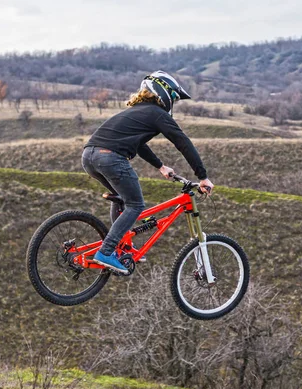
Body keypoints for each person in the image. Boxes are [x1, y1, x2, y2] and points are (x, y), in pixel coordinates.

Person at [81, 71, 213, 274]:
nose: (174, 103)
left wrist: (160, 166)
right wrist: (202, 177)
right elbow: (183, 143)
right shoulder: (157, 113)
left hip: (89, 156)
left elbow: (139, 145)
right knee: (135, 204)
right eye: (174, 98)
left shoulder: (138, 111)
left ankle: (121, 246)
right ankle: (106, 251)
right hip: (110, 158)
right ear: (165, 93)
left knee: (122, 199)